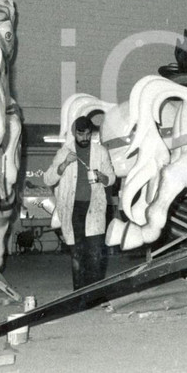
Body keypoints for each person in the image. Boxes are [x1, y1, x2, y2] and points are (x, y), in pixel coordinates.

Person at [44, 116, 116, 290]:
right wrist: (64, 164)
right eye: (80, 134)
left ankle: (95, 294)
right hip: (73, 209)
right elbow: (48, 179)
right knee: (77, 253)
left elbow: (112, 178)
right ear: (74, 133)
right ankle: (80, 294)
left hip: (95, 207)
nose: (84, 138)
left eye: (88, 134)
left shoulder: (101, 151)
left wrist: (102, 177)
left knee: (96, 254)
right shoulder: (64, 152)